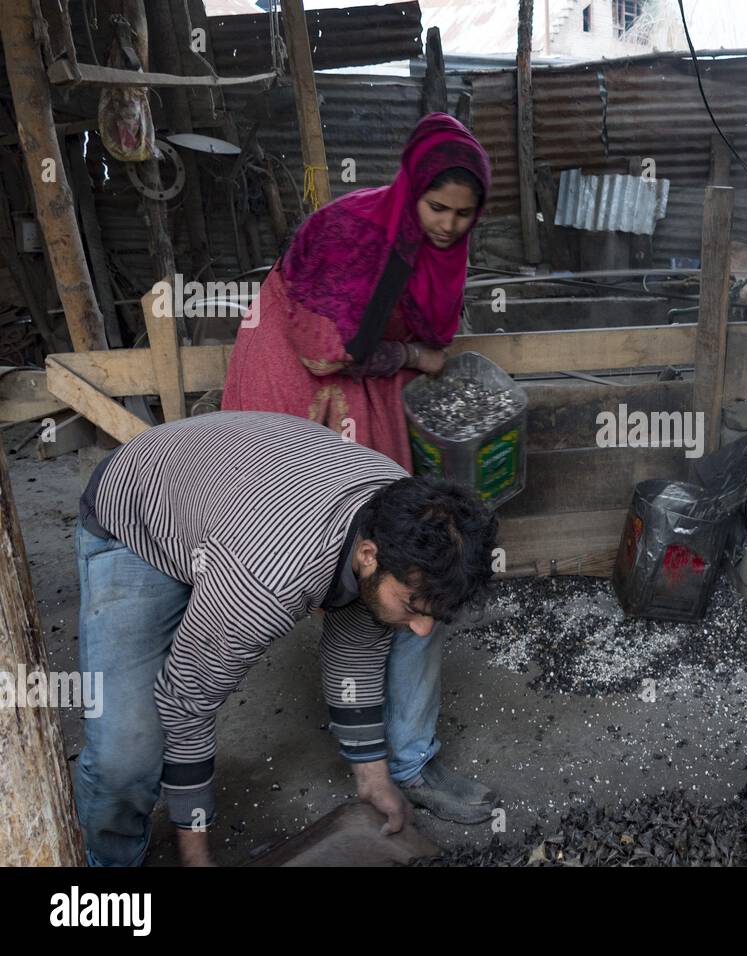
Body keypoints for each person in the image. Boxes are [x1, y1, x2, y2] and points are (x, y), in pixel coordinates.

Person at [74, 412, 499, 866]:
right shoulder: (266, 582)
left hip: (234, 489)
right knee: (126, 753)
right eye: (414, 607)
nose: (422, 628)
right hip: (139, 513)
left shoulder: (403, 515)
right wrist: (196, 854)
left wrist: (373, 778)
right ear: (368, 555)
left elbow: (354, 653)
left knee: (392, 622)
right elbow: (186, 701)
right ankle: (110, 868)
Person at [221, 112, 492, 470]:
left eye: (464, 213)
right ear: (412, 191)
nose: (449, 226)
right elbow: (323, 354)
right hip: (295, 360)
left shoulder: (443, 252)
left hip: (369, 367)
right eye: (437, 208)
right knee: (291, 482)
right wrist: (412, 355)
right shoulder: (352, 234)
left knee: (372, 492)